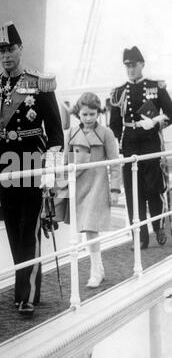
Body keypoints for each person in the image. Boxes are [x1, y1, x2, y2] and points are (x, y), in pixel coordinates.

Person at [0, 21, 64, 314]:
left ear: (21, 48)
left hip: (33, 158)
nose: (6, 54)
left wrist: (52, 169)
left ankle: (28, 293)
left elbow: (57, 133)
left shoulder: (39, 82)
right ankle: (21, 286)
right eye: (2, 50)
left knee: (30, 226)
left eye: (11, 48)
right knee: (13, 226)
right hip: (7, 162)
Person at [55, 92, 121, 287]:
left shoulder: (106, 133)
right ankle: (98, 268)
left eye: (92, 114)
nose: (89, 118)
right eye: (85, 114)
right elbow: (64, 161)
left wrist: (115, 190)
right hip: (77, 186)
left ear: (98, 113)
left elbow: (115, 163)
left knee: (90, 228)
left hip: (97, 185)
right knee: (83, 230)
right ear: (78, 114)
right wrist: (59, 185)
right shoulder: (72, 133)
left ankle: (95, 270)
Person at [110, 46, 172, 249]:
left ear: (142, 65)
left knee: (154, 188)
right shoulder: (119, 92)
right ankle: (139, 235)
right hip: (129, 144)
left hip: (151, 143)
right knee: (132, 190)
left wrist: (155, 122)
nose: (130, 69)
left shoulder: (156, 86)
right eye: (127, 66)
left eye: (134, 65)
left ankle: (158, 226)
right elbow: (114, 125)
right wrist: (117, 149)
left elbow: (171, 114)